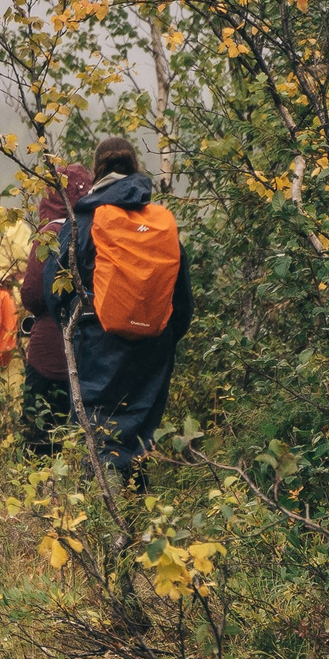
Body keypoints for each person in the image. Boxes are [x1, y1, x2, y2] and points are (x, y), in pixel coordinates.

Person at [35, 136, 193, 476]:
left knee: (98, 444)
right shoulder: (161, 223)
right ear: (135, 167)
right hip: (153, 351)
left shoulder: (85, 222)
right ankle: (139, 520)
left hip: (97, 349)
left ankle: (101, 521)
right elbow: (182, 301)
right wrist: (158, 335)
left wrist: (77, 330)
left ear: (97, 171)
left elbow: (55, 288)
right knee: (138, 444)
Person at [16, 160, 93, 456]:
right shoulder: (96, 229)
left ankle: (39, 500)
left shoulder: (49, 233)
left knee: (40, 442)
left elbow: (32, 294)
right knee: (82, 442)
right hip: (88, 351)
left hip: (48, 354)